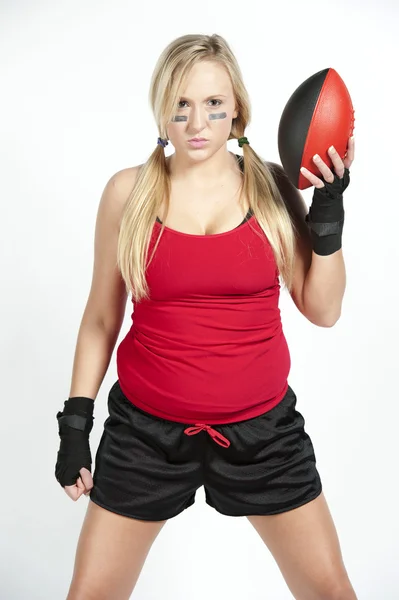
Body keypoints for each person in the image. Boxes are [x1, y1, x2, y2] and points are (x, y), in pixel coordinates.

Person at [55, 33, 357, 600]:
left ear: (237, 108)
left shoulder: (270, 187)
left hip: (264, 435)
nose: (198, 122)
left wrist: (328, 215)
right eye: (182, 106)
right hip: (144, 435)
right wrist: (75, 425)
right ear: (162, 113)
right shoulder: (129, 193)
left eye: (214, 104)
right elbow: (101, 317)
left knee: (330, 591)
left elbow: (324, 309)